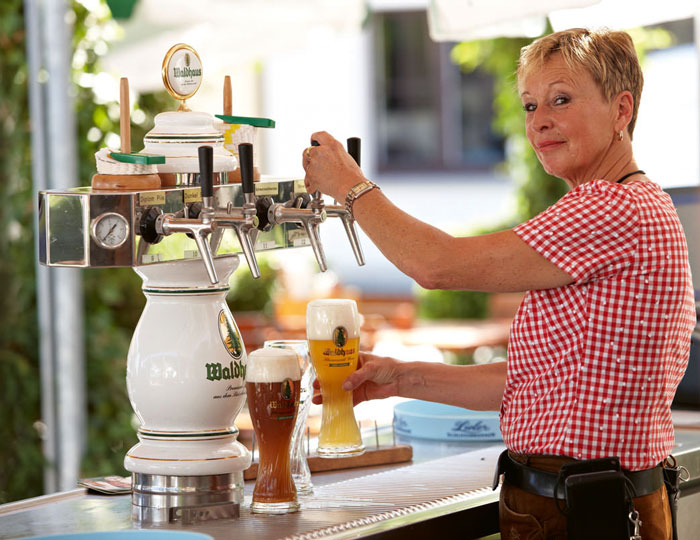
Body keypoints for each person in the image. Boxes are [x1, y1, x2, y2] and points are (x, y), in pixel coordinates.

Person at [302, 28, 696, 540]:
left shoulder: (610, 207)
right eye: (531, 105)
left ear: (622, 111)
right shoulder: (637, 204)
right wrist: (400, 379)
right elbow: (540, 383)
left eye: (561, 99)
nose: (541, 122)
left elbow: (435, 265)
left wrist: (350, 186)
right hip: (594, 501)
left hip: (582, 510)